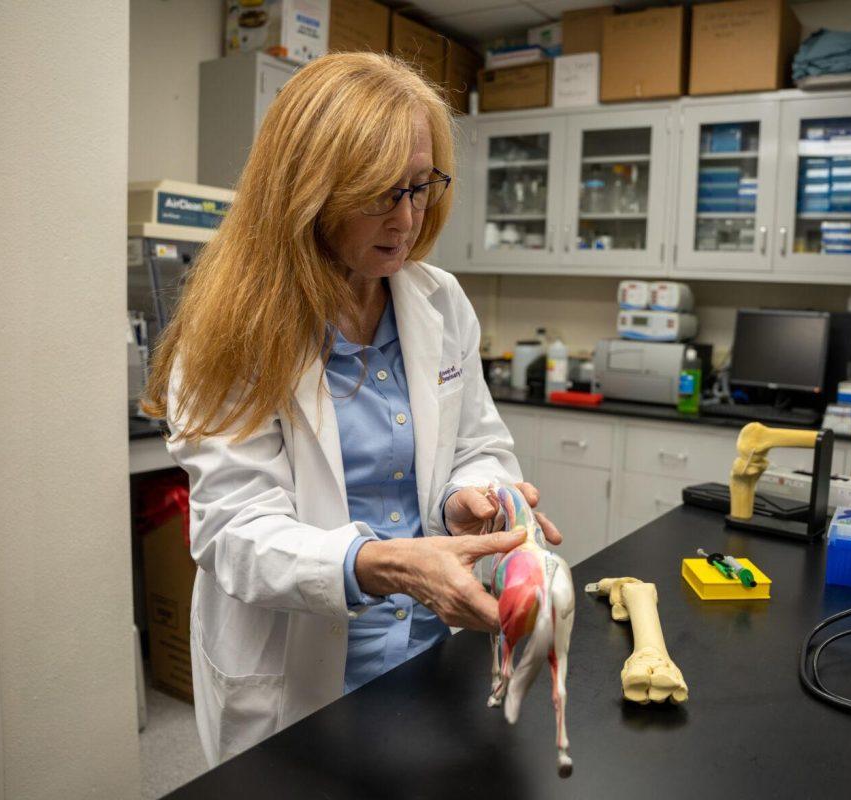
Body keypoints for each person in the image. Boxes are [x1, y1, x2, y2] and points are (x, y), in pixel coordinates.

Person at [141, 52, 561, 767]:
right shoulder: (231, 331)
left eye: (420, 187)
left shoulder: (438, 300)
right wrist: (384, 564)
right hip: (298, 684)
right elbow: (235, 535)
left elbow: (477, 440)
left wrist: (472, 493)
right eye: (379, 195)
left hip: (429, 656)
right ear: (308, 192)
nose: (407, 219)